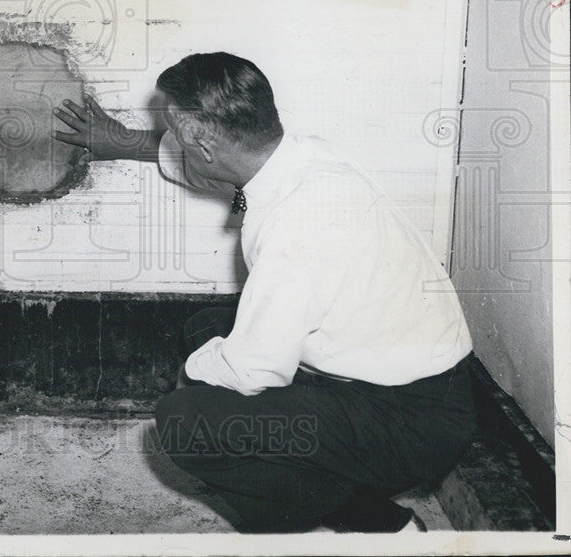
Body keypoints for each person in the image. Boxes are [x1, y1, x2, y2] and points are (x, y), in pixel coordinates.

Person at [52, 52, 475, 534]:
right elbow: (209, 164)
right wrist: (123, 142)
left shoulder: (298, 222)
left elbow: (254, 369)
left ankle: (380, 527)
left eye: (177, 131)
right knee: (206, 331)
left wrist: (190, 376)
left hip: (410, 424)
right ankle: (322, 485)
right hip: (414, 385)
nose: (173, 140)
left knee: (187, 422)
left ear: (201, 139)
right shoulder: (300, 156)